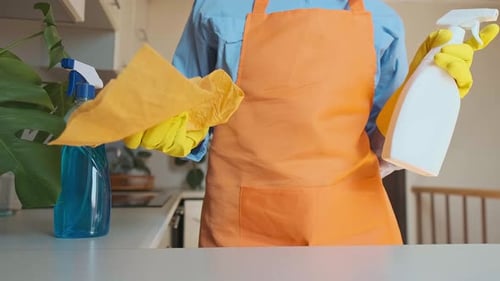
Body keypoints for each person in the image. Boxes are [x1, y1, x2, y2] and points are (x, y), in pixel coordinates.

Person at [125, 0, 499, 247]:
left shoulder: (383, 21)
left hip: (353, 229)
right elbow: (190, 122)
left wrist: (427, 84)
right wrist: (174, 128)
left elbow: (383, 152)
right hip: (243, 231)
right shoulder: (217, 7)